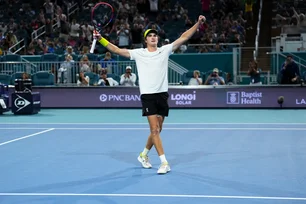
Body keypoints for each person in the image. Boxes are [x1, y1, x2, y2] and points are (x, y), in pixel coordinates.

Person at [93, 15, 206, 174]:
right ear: (146, 40)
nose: (153, 37)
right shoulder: (138, 53)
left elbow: (184, 37)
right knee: (154, 130)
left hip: (162, 95)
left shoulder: (165, 50)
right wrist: (101, 39)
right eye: (150, 36)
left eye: (155, 35)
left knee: (158, 130)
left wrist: (197, 23)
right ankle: (164, 162)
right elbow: (117, 50)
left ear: (157, 39)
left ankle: (143, 155)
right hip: (148, 96)